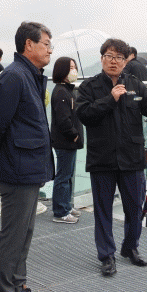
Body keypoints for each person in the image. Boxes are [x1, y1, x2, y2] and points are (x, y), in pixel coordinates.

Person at [76, 38, 147, 277]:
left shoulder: (135, 84)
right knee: (103, 210)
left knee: (134, 207)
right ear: (102, 59)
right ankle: (107, 255)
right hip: (102, 158)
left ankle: (130, 247)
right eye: (109, 56)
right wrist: (110, 99)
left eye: (119, 57)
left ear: (125, 61)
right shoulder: (89, 87)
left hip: (132, 157)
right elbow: (84, 114)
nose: (114, 61)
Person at [0, 21, 54, 292]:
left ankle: (17, 288)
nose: (50, 50)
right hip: (16, 167)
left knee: (24, 233)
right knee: (13, 236)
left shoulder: (30, 75)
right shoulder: (14, 76)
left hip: (29, 166)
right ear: (29, 44)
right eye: (46, 44)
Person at [50, 56, 84, 224]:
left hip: (69, 141)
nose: (74, 71)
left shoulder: (66, 90)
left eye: (74, 67)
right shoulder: (61, 92)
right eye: (70, 68)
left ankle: (66, 206)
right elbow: (63, 119)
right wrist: (74, 134)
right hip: (65, 141)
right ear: (62, 70)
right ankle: (60, 211)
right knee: (63, 176)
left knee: (67, 175)